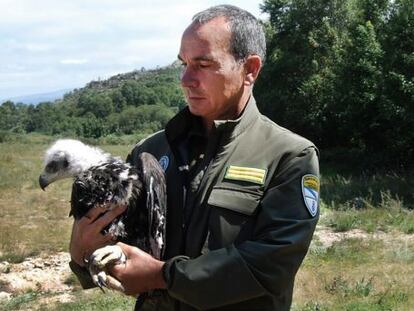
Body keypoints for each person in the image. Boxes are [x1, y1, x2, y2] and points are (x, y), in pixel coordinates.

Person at [69, 4, 320, 311]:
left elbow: (270, 264)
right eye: (184, 63)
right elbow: (124, 247)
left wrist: (164, 276)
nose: (186, 79)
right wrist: (83, 253)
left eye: (202, 64)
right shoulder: (150, 151)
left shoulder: (288, 156)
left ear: (249, 70)